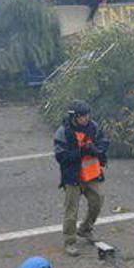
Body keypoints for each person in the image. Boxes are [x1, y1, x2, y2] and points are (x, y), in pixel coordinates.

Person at [53, 100, 109, 256]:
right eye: (82, 116)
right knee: (71, 211)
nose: (86, 119)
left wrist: (98, 150)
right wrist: (82, 151)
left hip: (92, 175)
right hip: (73, 178)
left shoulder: (94, 127)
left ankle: (85, 229)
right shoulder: (62, 132)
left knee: (97, 203)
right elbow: (61, 156)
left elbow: (104, 141)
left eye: (87, 115)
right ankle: (69, 241)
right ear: (74, 117)